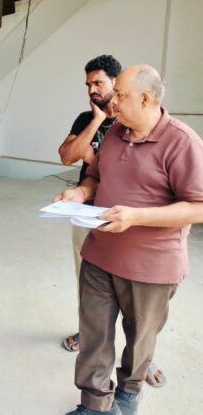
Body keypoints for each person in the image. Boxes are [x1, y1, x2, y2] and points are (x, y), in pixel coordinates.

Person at [55, 65, 203, 415]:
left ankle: (127, 396)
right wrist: (80, 192)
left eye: (120, 95)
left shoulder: (182, 142)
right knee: (93, 335)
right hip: (99, 255)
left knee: (139, 341)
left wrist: (136, 217)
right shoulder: (113, 132)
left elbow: (199, 206)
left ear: (146, 99)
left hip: (150, 267)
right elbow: (95, 177)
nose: (114, 101)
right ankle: (95, 405)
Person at [58, 55, 166, 388]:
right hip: (88, 213)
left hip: (131, 221)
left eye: (99, 83)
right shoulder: (88, 119)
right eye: (88, 84)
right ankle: (88, 331)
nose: (92, 89)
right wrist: (95, 121)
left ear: (118, 84)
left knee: (138, 299)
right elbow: (68, 155)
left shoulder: (137, 121)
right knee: (89, 283)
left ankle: (142, 357)